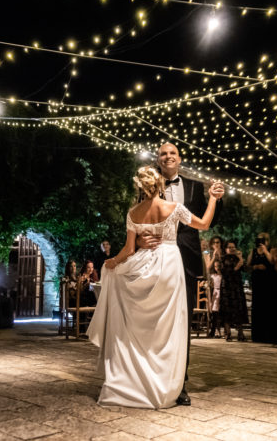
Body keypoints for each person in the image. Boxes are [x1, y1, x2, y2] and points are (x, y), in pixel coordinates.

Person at [87, 165, 222, 409]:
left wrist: (112, 262)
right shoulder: (174, 208)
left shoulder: (133, 212)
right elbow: (203, 224)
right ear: (159, 185)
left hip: (143, 267)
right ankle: (165, 383)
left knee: (141, 326)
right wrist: (212, 199)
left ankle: (138, 380)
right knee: (167, 327)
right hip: (169, 266)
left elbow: (128, 250)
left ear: (139, 187)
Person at [135, 142, 224, 406]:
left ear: (179, 158)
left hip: (184, 262)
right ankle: (150, 376)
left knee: (180, 324)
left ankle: (178, 383)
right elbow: (136, 221)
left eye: (172, 152)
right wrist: (139, 242)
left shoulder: (196, 187)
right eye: (163, 153)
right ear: (158, 159)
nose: (168, 156)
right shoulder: (148, 185)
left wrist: (216, 198)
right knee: (153, 321)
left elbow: (209, 222)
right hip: (152, 261)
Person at [247, 232, 274, 342]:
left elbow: (272, 261)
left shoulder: (271, 250)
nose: (260, 242)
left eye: (262, 240)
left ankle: (267, 335)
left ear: (267, 241)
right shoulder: (253, 251)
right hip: (256, 280)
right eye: (258, 240)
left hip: (268, 281)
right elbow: (248, 265)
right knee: (257, 306)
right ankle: (257, 335)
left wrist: (265, 250)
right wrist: (255, 266)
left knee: (267, 306)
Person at [220, 240, 248, 341]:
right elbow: (226, 272)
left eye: (234, 247)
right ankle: (228, 333)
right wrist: (237, 266)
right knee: (227, 309)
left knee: (239, 308)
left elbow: (245, 269)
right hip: (227, 287)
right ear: (226, 249)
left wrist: (240, 259)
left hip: (237, 287)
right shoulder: (223, 259)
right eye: (230, 247)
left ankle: (241, 333)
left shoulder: (237, 258)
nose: (232, 249)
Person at [207, 259, 223, 338]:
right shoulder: (213, 276)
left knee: (219, 314)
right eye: (216, 266)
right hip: (215, 294)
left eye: (219, 266)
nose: (217, 268)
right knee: (214, 313)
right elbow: (210, 284)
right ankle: (214, 330)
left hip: (222, 293)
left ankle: (218, 331)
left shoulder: (223, 276)